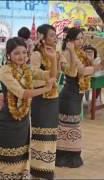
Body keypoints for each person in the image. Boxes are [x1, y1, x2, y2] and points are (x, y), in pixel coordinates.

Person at [0, 37, 56, 179]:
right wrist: (46, 89)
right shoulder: (5, 70)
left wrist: (53, 59)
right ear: (8, 54)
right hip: (8, 120)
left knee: (22, 156)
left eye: (24, 52)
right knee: (9, 158)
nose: (21, 56)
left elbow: (51, 75)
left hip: (24, 120)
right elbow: (22, 93)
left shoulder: (27, 69)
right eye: (17, 53)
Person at [56, 27, 104, 168]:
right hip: (69, 95)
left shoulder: (80, 53)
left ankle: (71, 156)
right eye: (78, 38)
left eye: (82, 38)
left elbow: (87, 69)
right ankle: (63, 157)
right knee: (67, 127)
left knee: (74, 127)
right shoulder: (66, 53)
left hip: (76, 96)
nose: (81, 41)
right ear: (69, 40)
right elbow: (81, 71)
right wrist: (98, 67)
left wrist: (92, 61)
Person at [29, 24, 59, 179]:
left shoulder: (55, 54)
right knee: (40, 137)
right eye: (52, 35)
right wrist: (50, 73)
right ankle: (37, 173)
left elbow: (55, 78)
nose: (55, 38)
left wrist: (54, 59)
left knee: (50, 137)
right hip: (41, 99)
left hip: (53, 100)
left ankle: (47, 171)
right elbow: (35, 74)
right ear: (43, 38)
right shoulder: (36, 54)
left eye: (55, 35)